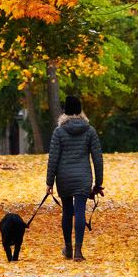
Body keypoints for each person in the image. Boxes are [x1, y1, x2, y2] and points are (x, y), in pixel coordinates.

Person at [46, 95, 104, 261]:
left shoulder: (59, 131)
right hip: (83, 178)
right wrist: (98, 183)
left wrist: (49, 182)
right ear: (80, 110)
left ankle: (68, 248)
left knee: (67, 211)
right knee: (79, 211)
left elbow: (53, 158)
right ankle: (78, 251)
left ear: (65, 111)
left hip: (64, 177)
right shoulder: (90, 130)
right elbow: (97, 158)